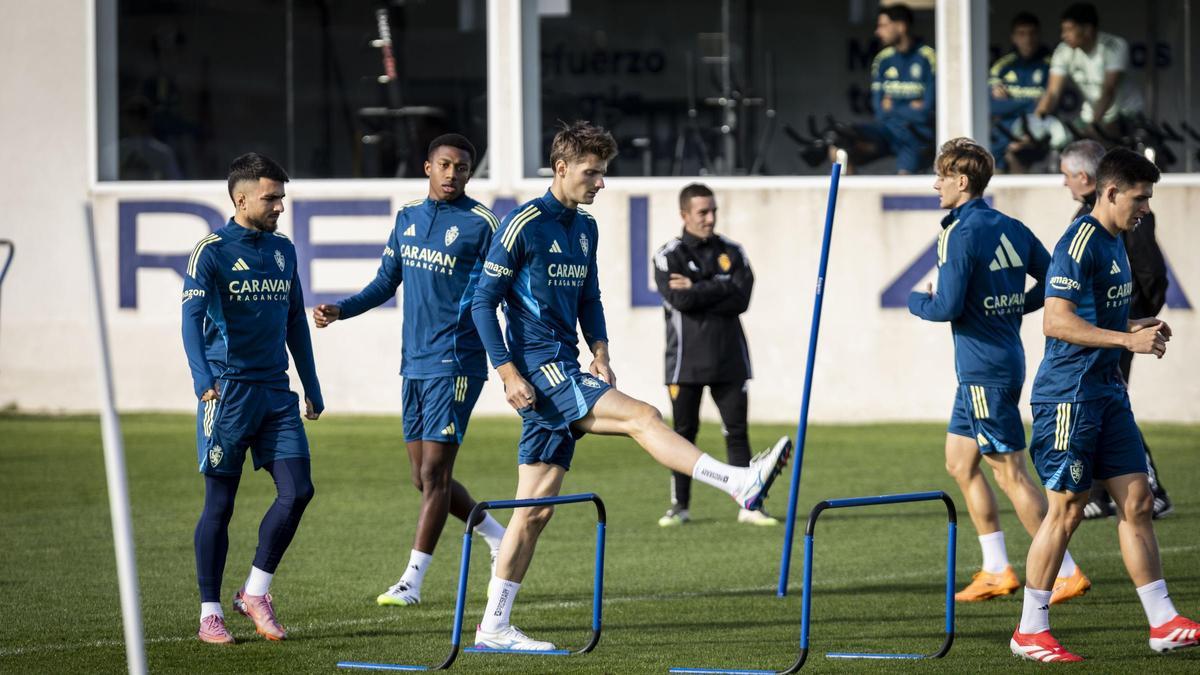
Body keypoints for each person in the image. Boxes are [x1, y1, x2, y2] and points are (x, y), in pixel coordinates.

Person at [469, 121, 791, 651]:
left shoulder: (585, 228)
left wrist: (600, 350)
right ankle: (738, 482)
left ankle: (494, 627)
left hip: (570, 364)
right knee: (645, 416)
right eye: (592, 173)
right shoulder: (522, 224)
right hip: (541, 369)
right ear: (562, 168)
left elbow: (590, 296)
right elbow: (483, 302)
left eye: (603, 173)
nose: (601, 184)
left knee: (534, 512)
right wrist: (506, 372)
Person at [1011, 149, 1199, 662]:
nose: (1145, 207)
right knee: (1067, 509)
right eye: (1139, 198)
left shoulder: (1118, 240)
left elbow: (1104, 317)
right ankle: (1030, 630)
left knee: (1137, 501)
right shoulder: (1079, 242)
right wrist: (1125, 342)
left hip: (1107, 393)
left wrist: (1140, 327)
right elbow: (1056, 321)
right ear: (1110, 191)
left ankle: (1163, 622)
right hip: (1069, 396)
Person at [311, 134, 508, 606]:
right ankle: (498, 535)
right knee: (421, 478)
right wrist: (342, 309)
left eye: (462, 168)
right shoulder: (407, 219)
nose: (452, 174)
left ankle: (412, 582)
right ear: (427, 167)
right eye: (444, 165)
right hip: (414, 363)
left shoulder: (483, 224)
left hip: (457, 361)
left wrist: (507, 362)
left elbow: (500, 293)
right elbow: (385, 282)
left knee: (437, 474)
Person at [908, 138, 1090, 605]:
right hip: (993, 364)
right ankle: (996, 570)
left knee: (1009, 473)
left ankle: (1065, 572)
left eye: (941, 176)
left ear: (961, 181)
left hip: (983, 368)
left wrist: (917, 301)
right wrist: (1011, 307)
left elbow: (946, 306)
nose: (936, 185)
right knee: (960, 462)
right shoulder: (1010, 225)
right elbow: (1053, 283)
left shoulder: (958, 231)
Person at [182, 153, 323, 644]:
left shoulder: (284, 251)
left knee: (298, 490)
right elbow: (189, 321)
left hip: (275, 394)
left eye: (281, 197)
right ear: (241, 199)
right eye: (271, 197)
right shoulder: (211, 250)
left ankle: (255, 592)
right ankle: (209, 613)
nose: (280, 206)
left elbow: (294, 323)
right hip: (228, 393)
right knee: (220, 504)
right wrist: (203, 378)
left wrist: (312, 384)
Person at [1058, 140, 1173, 520]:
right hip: (1095, 346)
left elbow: (1151, 271)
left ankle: (1147, 490)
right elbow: (1058, 316)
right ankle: (1098, 492)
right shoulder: (1087, 229)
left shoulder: (1122, 220)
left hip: (1115, 337)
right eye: (1140, 198)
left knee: (1112, 406)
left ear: (1087, 178)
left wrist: (1135, 320)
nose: (1064, 184)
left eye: (1066, 175)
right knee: (1102, 409)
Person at [653, 183, 775, 527]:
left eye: (713, 211)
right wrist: (719, 287)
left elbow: (743, 298)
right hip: (684, 361)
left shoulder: (733, 251)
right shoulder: (668, 254)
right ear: (684, 215)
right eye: (702, 212)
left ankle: (749, 504)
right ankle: (680, 506)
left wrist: (697, 286)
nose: (709, 218)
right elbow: (680, 301)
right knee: (683, 434)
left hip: (729, 358)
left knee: (736, 432)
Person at [832, 4, 936, 174]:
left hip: (916, 135)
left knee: (904, 182)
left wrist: (893, 107)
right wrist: (910, 107)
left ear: (901, 26)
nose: (877, 32)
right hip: (886, 131)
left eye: (883, 25)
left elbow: (926, 111)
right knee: (840, 141)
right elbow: (879, 110)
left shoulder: (927, 57)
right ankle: (849, 198)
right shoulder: (883, 59)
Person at [1035, 3, 1143, 133]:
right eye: (1063, 30)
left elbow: (1109, 90)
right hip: (1090, 115)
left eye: (1069, 30)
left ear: (1088, 29)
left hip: (1125, 113)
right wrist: (1035, 125)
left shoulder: (1114, 46)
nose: (1063, 35)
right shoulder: (1063, 50)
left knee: (1102, 143)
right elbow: (1052, 93)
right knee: (1065, 141)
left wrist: (1094, 127)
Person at [988, 13, 1053, 173]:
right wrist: (1031, 102)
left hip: (1038, 139)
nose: (1027, 39)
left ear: (1039, 35)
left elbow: (1050, 106)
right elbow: (991, 107)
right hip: (1002, 142)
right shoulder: (1001, 66)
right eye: (1022, 34)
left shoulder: (1051, 65)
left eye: (1032, 33)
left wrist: (1010, 103)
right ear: (1013, 37)